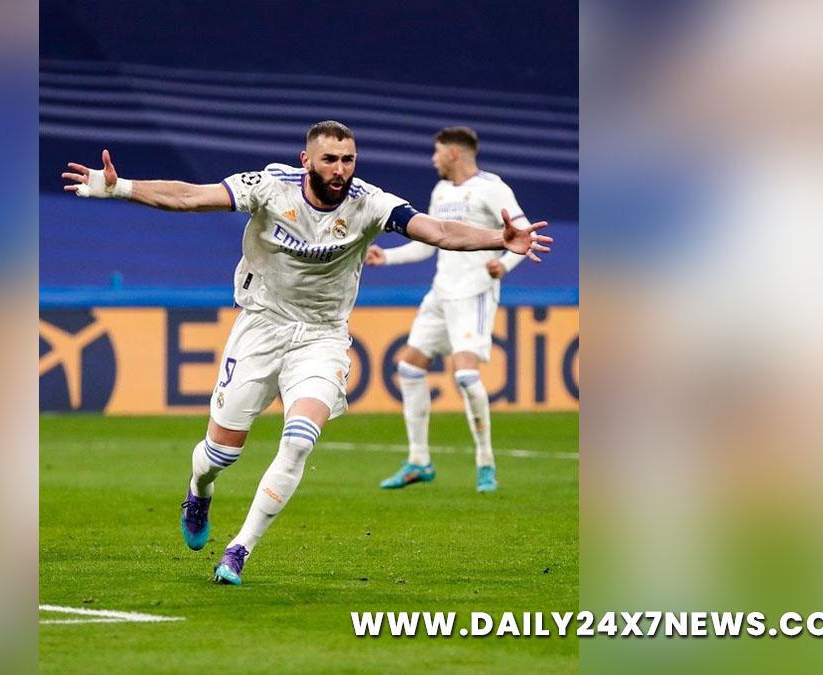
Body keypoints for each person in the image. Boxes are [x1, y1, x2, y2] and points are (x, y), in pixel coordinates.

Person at [61, 121, 551, 585]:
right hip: (261, 328)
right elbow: (191, 197)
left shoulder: (370, 203)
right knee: (219, 455)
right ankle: (199, 491)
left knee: (298, 440)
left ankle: (239, 549)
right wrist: (121, 188)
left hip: (322, 337)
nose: (340, 169)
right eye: (330, 159)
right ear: (306, 160)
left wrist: (498, 239)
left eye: (348, 159)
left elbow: (438, 231)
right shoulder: (270, 187)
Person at [365, 126, 531, 493]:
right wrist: (386, 257)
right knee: (409, 367)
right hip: (441, 293)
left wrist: (505, 264)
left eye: (437, 151)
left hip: (474, 293)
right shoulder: (441, 191)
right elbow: (428, 244)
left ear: (453, 153)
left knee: (465, 376)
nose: (433, 159)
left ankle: (485, 464)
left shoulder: (492, 188)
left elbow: (523, 235)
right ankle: (419, 461)